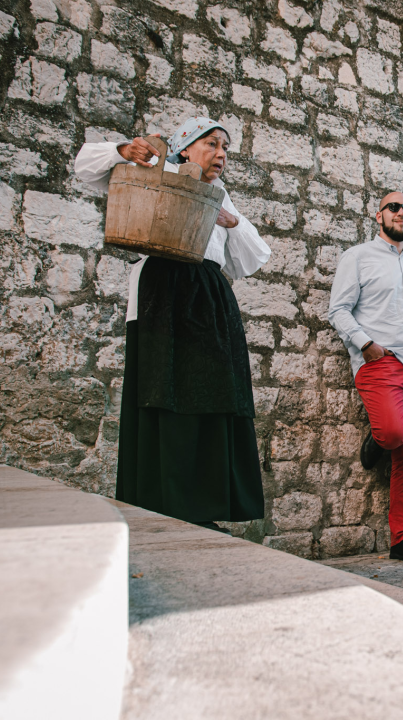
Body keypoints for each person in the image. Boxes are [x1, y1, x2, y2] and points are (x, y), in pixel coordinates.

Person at [74, 118, 270, 531]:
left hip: (209, 301)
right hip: (161, 295)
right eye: (212, 144)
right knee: (162, 390)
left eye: (225, 148)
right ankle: (164, 503)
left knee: (213, 394)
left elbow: (252, 258)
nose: (221, 154)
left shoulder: (220, 195)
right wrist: (123, 150)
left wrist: (232, 222)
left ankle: (203, 507)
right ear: (185, 147)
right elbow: (85, 167)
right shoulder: (155, 170)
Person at [328, 192, 403, 564]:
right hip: (381, 362)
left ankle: (402, 539)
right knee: (395, 434)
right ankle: (380, 437)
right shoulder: (357, 257)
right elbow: (338, 309)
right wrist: (366, 344)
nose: (401, 213)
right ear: (378, 215)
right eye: (393, 207)